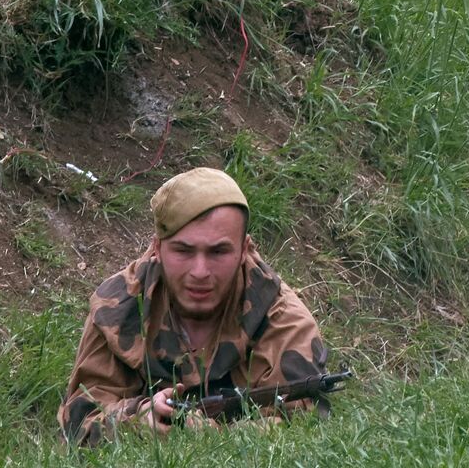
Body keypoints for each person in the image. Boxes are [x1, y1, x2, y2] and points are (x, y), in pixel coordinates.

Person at [58, 168, 331, 444]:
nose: (200, 271)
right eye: (183, 251)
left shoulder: (283, 319)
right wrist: (136, 420)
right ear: (156, 248)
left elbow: (302, 429)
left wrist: (212, 438)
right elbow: (78, 421)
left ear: (244, 250)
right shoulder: (119, 308)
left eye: (218, 252)